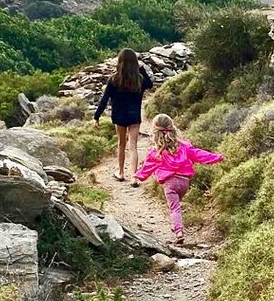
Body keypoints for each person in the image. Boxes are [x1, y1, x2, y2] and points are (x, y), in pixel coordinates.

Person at [135, 113, 223, 245]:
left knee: (174, 208)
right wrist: (217, 157)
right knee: (176, 206)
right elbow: (200, 154)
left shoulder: (156, 152)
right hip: (184, 183)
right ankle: (176, 223)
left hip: (170, 183)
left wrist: (137, 176)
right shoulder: (184, 147)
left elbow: (147, 168)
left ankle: (179, 232)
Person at [94, 48, 153, 185]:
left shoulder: (114, 80)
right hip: (134, 116)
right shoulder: (139, 79)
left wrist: (96, 116)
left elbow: (104, 99)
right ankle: (134, 176)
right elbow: (150, 85)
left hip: (119, 116)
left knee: (121, 144)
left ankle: (120, 173)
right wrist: (142, 70)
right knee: (133, 146)